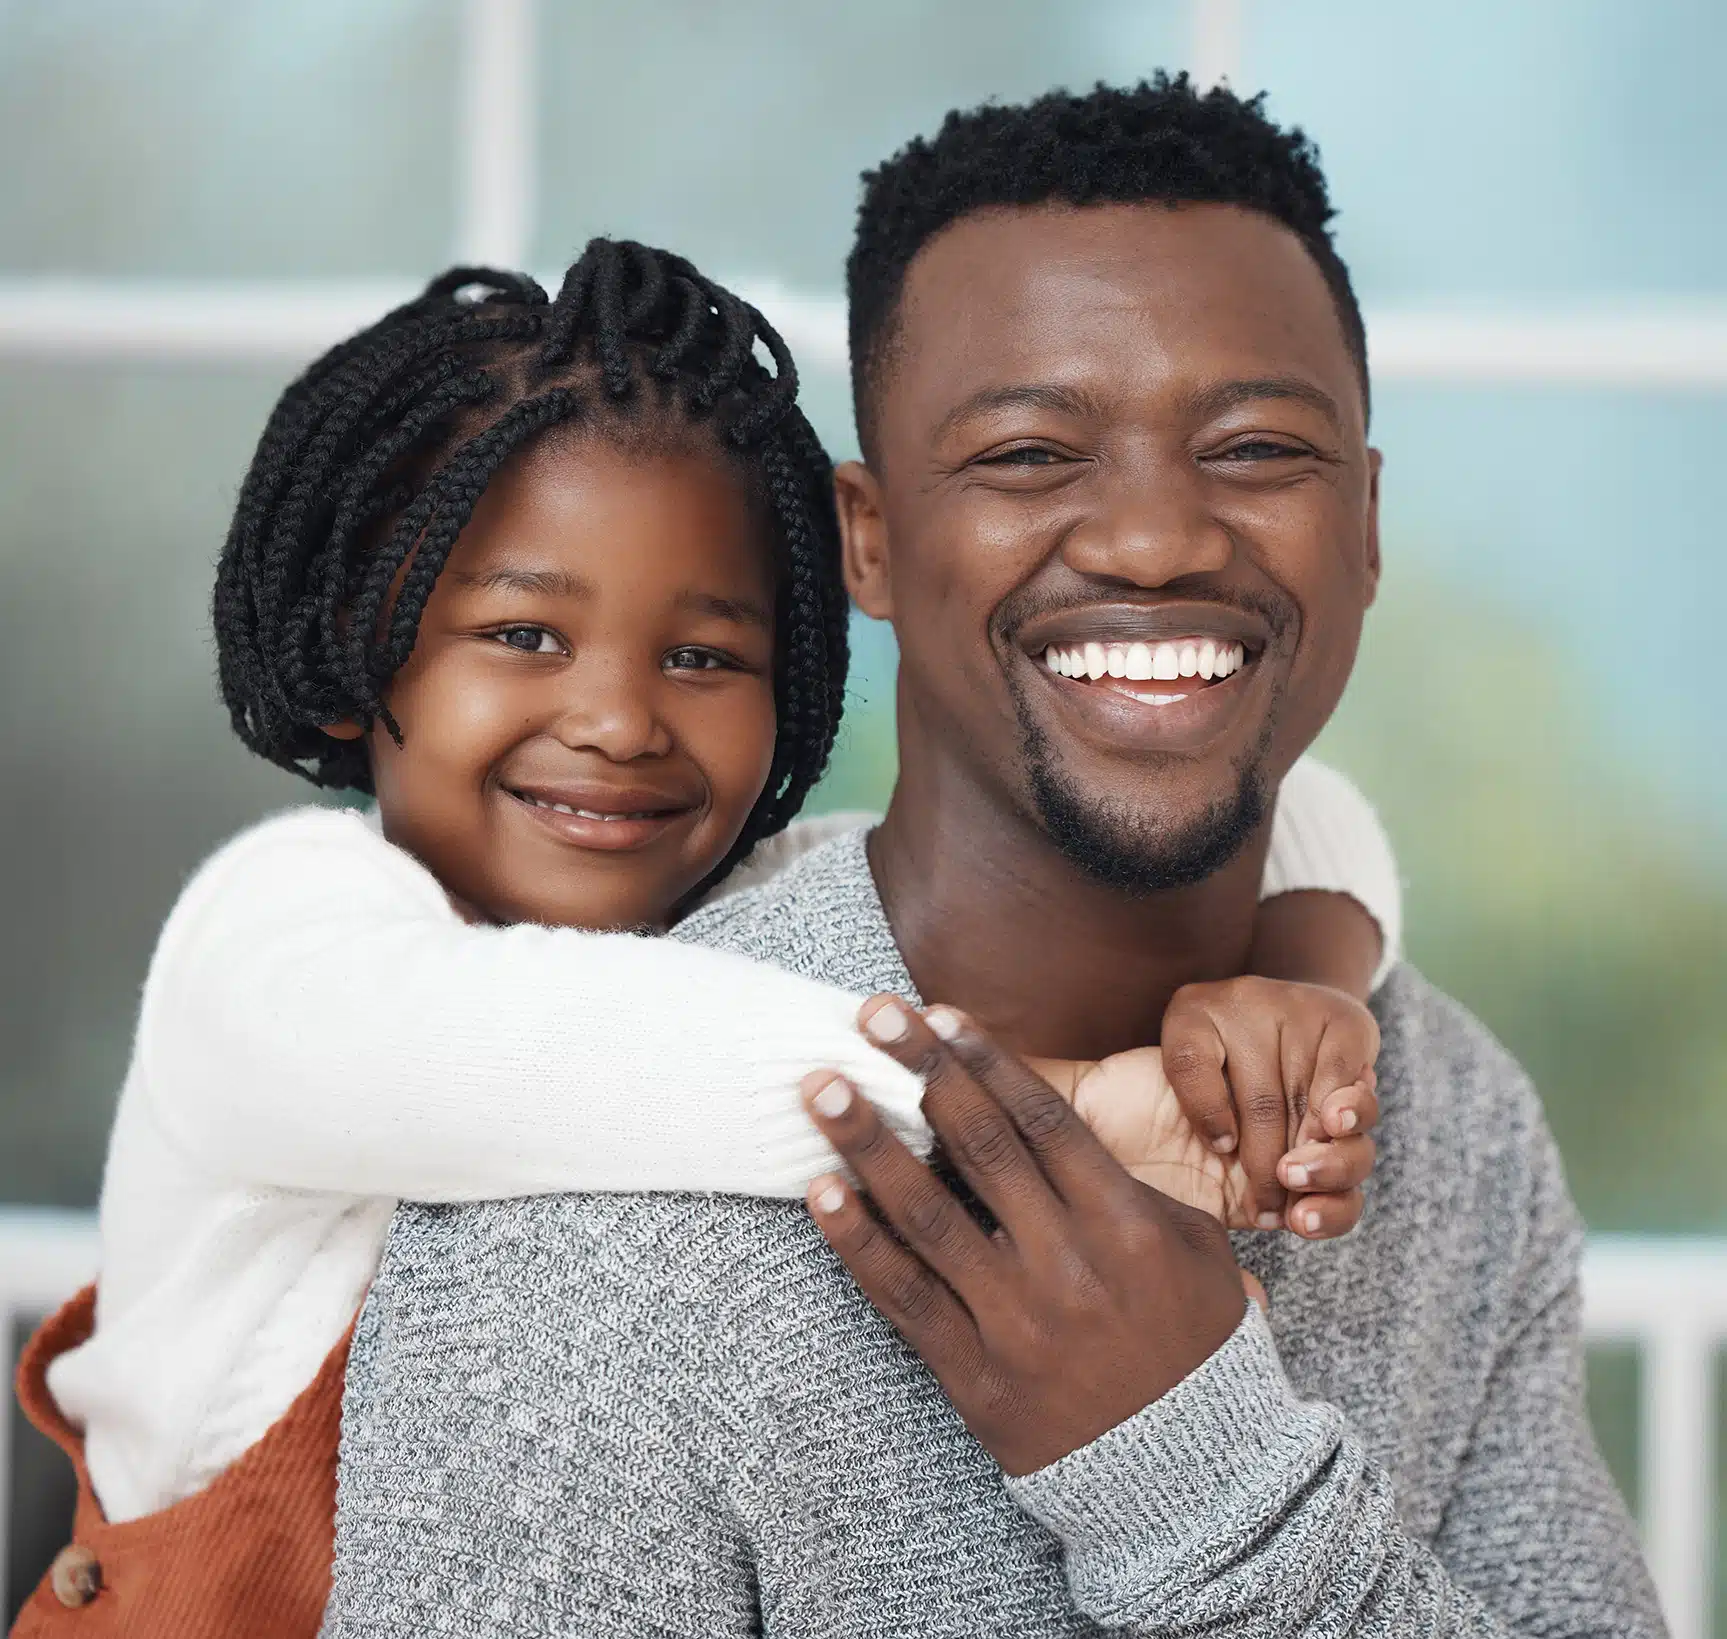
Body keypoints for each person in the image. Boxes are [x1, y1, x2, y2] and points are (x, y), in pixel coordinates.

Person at [319, 77, 1665, 1637]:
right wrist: (1185, 1470)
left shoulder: (1452, 1117)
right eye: (1029, 455)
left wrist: (1207, 1480)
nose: (1153, 538)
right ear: (869, 541)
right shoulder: (582, 1200)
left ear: (1363, 521)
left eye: (1252, 448)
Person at [10, 235, 1395, 1639]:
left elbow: (1305, 803)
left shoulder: (747, 900)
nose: (619, 723)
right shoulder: (275, 936)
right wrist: (1059, 1108)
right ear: (356, 650)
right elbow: (533, 1050)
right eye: (522, 635)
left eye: (701, 658)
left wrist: (1293, 979)